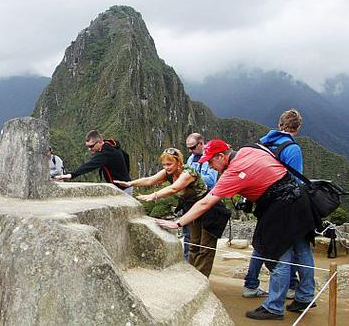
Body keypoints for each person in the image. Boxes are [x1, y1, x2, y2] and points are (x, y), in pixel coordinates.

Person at [156, 140, 316, 320]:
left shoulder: (232, 172)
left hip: (280, 206)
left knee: (278, 256)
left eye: (210, 161)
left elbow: (206, 202)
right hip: (300, 199)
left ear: (221, 156)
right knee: (302, 250)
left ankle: (274, 307)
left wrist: (178, 223)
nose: (210, 166)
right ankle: (305, 296)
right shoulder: (248, 149)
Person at [115, 148, 229, 278]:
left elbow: (174, 188)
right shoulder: (168, 173)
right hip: (192, 209)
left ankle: (201, 277)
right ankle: (192, 276)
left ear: (178, 162)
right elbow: (150, 180)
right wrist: (130, 183)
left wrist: (154, 195)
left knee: (205, 248)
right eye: (164, 164)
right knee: (194, 244)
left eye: (169, 164)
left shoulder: (188, 173)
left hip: (209, 209)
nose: (166, 167)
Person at [243, 109, 305, 299]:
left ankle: (251, 283)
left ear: (280, 124)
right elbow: (295, 181)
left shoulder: (263, 143)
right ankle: (291, 286)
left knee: (261, 243)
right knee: (288, 244)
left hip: (262, 200)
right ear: (298, 127)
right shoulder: (292, 148)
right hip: (282, 204)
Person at [54, 130, 132, 194]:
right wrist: (126, 174)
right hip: (125, 185)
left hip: (123, 188)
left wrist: (72, 175)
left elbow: (90, 165)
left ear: (100, 142)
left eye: (91, 146)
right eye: (88, 146)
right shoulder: (111, 145)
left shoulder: (106, 153)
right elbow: (126, 155)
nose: (89, 149)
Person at [184, 133, 219, 261]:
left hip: (207, 200)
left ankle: (200, 268)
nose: (190, 151)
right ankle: (188, 263)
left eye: (192, 147)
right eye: (188, 148)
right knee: (190, 237)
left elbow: (211, 180)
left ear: (201, 144)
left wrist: (193, 176)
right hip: (191, 200)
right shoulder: (191, 158)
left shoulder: (211, 158)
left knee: (204, 240)